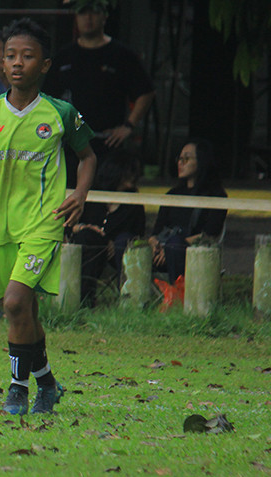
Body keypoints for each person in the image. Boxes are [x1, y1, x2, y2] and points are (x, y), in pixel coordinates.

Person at [0, 18, 97, 415]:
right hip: (2, 227)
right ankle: (49, 385)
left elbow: (88, 157)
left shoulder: (60, 112)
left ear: (46, 65)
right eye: (9, 56)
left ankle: (18, 389)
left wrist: (80, 194)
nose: (16, 63)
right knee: (26, 312)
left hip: (44, 221)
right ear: (1, 63)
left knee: (15, 302)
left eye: (27, 55)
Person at [42, 0, 153, 181]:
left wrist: (129, 125)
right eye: (83, 13)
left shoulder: (121, 55)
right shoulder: (64, 56)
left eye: (93, 12)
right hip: (71, 146)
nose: (88, 18)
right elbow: (48, 99)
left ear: (104, 16)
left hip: (107, 144)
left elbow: (146, 91)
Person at [66, 150, 145, 307]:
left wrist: (114, 243)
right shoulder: (90, 197)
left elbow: (138, 234)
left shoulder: (134, 205)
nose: (134, 176)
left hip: (116, 253)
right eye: (130, 171)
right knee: (87, 236)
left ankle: (128, 301)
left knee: (123, 241)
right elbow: (68, 226)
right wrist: (80, 227)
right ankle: (82, 300)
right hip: (88, 247)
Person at [149, 138, 227, 282]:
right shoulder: (172, 194)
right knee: (129, 245)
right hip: (163, 251)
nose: (180, 163)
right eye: (179, 158)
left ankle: (178, 298)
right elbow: (155, 231)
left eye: (187, 158)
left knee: (175, 245)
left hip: (193, 253)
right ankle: (133, 299)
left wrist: (173, 246)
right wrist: (155, 245)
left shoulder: (216, 195)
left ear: (202, 161)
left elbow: (210, 234)